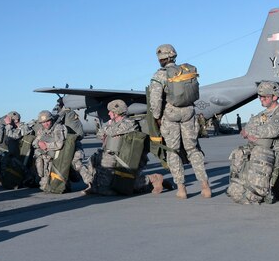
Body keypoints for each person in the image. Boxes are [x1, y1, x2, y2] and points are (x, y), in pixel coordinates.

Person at [148, 44, 211, 199]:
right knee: (193, 149)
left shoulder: (160, 75)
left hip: (171, 115)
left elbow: (155, 100)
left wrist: (156, 117)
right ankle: (205, 186)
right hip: (189, 112)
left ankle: (181, 189)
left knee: (173, 151)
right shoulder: (186, 71)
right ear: (174, 56)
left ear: (160, 59)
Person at [227, 81, 279, 204]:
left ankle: (256, 194)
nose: (261, 99)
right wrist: (252, 134)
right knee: (239, 152)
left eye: (265, 97)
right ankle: (237, 188)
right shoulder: (262, 115)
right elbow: (245, 130)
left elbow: (271, 131)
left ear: (275, 97)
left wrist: (253, 134)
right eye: (260, 96)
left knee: (260, 152)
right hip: (267, 149)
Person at [82, 99, 165, 195]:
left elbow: (110, 132)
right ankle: (95, 186)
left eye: (111, 111)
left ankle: (153, 179)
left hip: (124, 158)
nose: (108, 113)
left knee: (124, 183)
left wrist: (107, 129)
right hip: (114, 154)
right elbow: (100, 134)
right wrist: (107, 129)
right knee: (93, 160)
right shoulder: (113, 123)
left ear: (117, 112)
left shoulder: (129, 123)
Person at [32, 110, 65, 191]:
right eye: (43, 122)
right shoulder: (42, 130)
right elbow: (34, 143)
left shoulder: (58, 128)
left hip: (56, 157)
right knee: (44, 187)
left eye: (48, 121)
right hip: (46, 157)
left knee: (50, 186)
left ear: (52, 120)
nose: (46, 124)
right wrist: (40, 144)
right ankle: (40, 176)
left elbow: (59, 144)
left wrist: (46, 145)